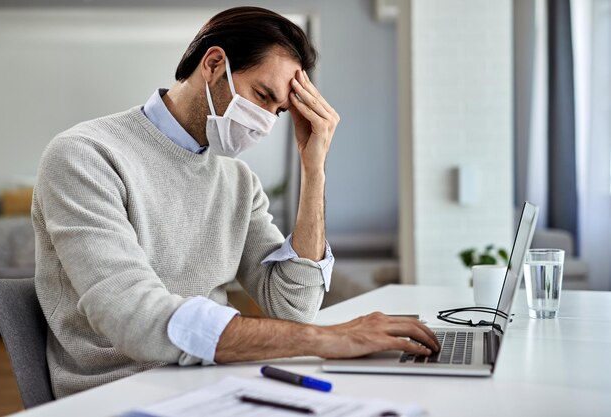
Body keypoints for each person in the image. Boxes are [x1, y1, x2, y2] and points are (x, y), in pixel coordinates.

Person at [32, 6, 439, 398]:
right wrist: (329, 339)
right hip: (120, 392)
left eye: (278, 111)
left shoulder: (237, 182)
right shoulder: (85, 155)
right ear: (212, 65)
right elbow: (135, 319)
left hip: (212, 383)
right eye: (262, 94)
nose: (265, 121)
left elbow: (291, 308)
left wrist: (313, 172)